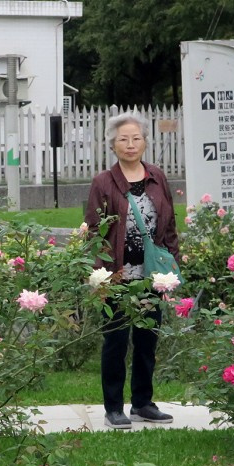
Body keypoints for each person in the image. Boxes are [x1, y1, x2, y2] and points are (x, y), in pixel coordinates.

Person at [83, 112, 180, 429]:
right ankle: (113, 407)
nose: (130, 144)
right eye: (123, 139)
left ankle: (142, 403)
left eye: (136, 138)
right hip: (118, 277)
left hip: (152, 276)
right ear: (113, 144)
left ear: (145, 142)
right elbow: (94, 233)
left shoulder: (156, 177)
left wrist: (173, 267)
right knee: (115, 342)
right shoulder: (104, 182)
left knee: (147, 340)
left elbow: (169, 226)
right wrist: (103, 275)